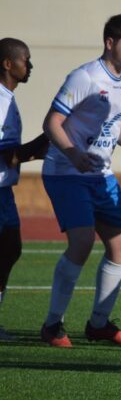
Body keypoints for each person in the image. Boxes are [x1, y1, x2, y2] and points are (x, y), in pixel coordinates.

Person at [39, 15, 121, 348]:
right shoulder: (84, 77)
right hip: (66, 173)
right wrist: (73, 154)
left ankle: (98, 324)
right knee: (82, 242)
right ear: (109, 43)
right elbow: (52, 122)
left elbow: (120, 127)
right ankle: (52, 325)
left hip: (101, 174)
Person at [0, 39, 48, 341]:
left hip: (5, 191)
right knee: (7, 249)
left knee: (10, 249)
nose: (29, 66)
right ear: (7, 64)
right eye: (25, 60)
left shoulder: (9, 97)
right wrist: (45, 143)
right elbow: (7, 153)